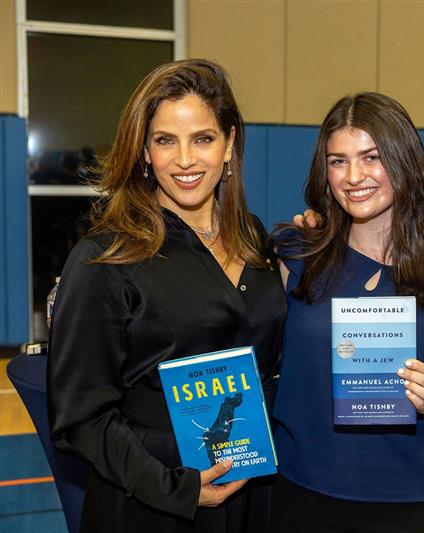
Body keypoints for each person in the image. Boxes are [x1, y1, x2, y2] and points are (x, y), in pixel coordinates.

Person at [47, 59, 286, 532]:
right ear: (144, 151)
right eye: (165, 141)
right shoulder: (106, 257)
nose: (185, 161)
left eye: (203, 138)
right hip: (150, 506)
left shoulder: (254, 238)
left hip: (251, 493)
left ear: (230, 143)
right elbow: (81, 417)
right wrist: (175, 487)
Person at [270, 92, 424, 532]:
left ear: (403, 160)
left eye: (371, 157)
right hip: (304, 492)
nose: (353, 176)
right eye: (337, 161)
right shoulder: (294, 254)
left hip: (413, 501)